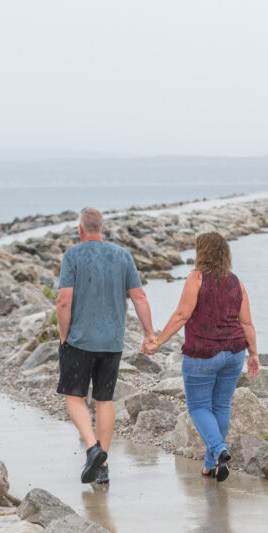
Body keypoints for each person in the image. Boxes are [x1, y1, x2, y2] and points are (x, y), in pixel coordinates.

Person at [144, 231, 260, 482]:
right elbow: (247, 323)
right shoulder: (236, 282)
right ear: (225, 254)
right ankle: (212, 465)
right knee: (220, 406)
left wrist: (158, 342)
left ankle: (219, 450)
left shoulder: (196, 278)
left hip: (202, 355)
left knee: (198, 407)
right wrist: (254, 354)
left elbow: (182, 315)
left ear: (202, 253)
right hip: (233, 353)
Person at [56, 206, 156, 485]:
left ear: (80, 229)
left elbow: (64, 301)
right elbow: (139, 296)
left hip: (80, 340)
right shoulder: (122, 255)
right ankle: (103, 466)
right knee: (104, 400)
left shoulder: (72, 255)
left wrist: (64, 337)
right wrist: (149, 333)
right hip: (112, 342)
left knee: (74, 396)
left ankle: (92, 448)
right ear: (102, 228)